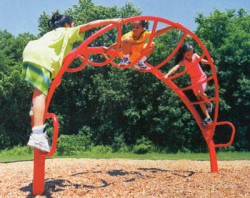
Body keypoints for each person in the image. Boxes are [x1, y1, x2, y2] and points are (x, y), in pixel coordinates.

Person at [22, 13, 121, 152]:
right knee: (41, 92)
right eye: (73, 24)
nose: (75, 27)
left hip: (30, 52)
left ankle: (34, 112)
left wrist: (57, 78)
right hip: (41, 56)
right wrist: (112, 21)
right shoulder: (67, 31)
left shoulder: (53, 36)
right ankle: (37, 134)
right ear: (68, 24)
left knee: (38, 89)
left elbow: (64, 57)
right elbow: (89, 25)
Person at [164, 43, 213, 126]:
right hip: (194, 81)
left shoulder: (195, 56)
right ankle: (208, 117)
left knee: (200, 93)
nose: (190, 56)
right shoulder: (184, 61)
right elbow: (176, 67)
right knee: (199, 98)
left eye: (191, 53)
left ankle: (208, 103)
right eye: (188, 54)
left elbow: (203, 61)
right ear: (184, 54)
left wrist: (209, 62)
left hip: (201, 77)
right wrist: (167, 75)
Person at [104, 20, 176, 69]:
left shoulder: (144, 34)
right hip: (126, 53)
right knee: (126, 39)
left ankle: (140, 62)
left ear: (143, 29)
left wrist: (170, 27)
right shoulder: (129, 35)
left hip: (137, 55)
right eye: (133, 27)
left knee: (152, 44)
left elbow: (157, 32)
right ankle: (125, 59)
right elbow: (118, 43)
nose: (134, 29)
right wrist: (108, 49)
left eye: (137, 27)